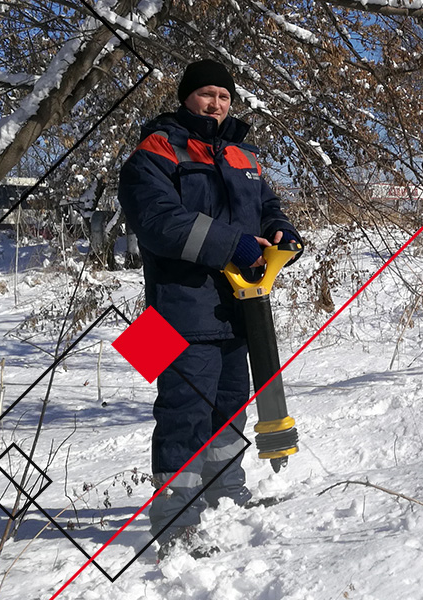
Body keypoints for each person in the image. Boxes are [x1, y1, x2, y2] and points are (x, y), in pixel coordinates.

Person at [118, 59, 302, 559]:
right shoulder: (155, 151)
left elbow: (266, 206)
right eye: (206, 94)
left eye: (224, 95)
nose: (216, 103)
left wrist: (281, 229)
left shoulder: (243, 154)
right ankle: (176, 520)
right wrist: (234, 246)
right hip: (180, 309)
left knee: (228, 408)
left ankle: (225, 493)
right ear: (186, 98)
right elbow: (159, 222)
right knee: (184, 413)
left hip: (239, 308)